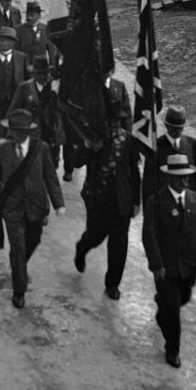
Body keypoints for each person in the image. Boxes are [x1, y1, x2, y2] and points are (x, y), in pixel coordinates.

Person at [0, 108, 65, 309]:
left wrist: (58, 203)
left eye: (17, 131)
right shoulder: (1, 151)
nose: (13, 134)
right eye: (11, 130)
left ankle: (17, 265)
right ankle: (19, 290)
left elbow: (50, 176)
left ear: (26, 132)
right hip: (12, 209)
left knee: (33, 240)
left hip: (36, 207)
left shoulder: (41, 148)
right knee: (18, 247)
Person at [142, 153, 196, 368]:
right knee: (173, 312)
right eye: (179, 177)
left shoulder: (195, 200)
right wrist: (157, 265)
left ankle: (162, 308)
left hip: (188, 267)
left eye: (186, 176)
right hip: (166, 269)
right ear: (169, 179)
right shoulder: (156, 202)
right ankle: (172, 348)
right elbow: (149, 236)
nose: (184, 180)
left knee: (182, 299)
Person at [73, 95, 141, 301]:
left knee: (119, 245)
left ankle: (113, 284)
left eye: (116, 122)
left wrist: (136, 201)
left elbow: (134, 173)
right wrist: (87, 146)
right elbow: (76, 162)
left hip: (121, 201)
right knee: (95, 235)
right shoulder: (94, 139)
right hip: (98, 199)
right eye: (109, 121)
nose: (113, 126)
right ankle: (82, 248)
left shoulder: (129, 141)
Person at [8, 54, 65, 173]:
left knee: (49, 169)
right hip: (31, 135)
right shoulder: (25, 87)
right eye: (40, 74)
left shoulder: (54, 88)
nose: (44, 77)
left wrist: (56, 95)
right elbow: (13, 111)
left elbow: (61, 111)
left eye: (46, 73)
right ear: (34, 74)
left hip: (50, 136)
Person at [142, 105, 196, 206]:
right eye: (173, 128)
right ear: (166, 126)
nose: (177, 132)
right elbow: (148, 180)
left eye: (180, 129)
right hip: (164, 204)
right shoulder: (156, 147)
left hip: (188, 202)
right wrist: (149, 208)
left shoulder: (191, 143)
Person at [15, 1, 60, 71]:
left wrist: (52, 67)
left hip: (41, 69)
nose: (29, 18)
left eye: (32, 15)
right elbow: (16, 51)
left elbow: (51, 50)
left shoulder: (45, 29)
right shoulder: (18, 30)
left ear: (39, 15)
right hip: (24, 69)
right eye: (27, 15)